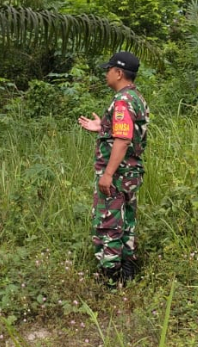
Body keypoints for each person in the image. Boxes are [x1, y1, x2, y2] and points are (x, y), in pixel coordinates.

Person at [78, 51, 149, 285]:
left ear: (119, 73)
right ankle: (127, 271)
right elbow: (127, 132)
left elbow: (123, 140)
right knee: (126, 222)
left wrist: (107, 174)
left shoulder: (121, 101)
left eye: (109, 70)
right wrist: (103, 127)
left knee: (108, 223)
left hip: (117, 175)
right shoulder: (136, 97)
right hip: (131, 173)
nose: (106, 74)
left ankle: (110, 278)